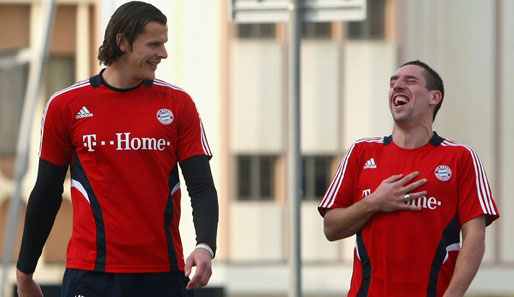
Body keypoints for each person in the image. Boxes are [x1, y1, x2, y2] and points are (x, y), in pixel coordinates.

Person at [15, 1, 218, 296]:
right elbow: (46, 192)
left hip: (162, 274)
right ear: (122, 42)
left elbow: (201, 187)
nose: (163, 53)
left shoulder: (178, 104)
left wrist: (205, 246)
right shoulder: (65, 106)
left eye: (164, 44)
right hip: (90, 274)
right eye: (154, 44)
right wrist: (25, 272)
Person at [318, 60, 499, 297]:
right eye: (393, 83)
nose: (397, 86)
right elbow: (331, 228)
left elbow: (475, 236)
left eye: (410, 81)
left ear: (434, 97)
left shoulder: (461, 157)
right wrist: (374, 202)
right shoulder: (361, 152)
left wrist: (453, 294)